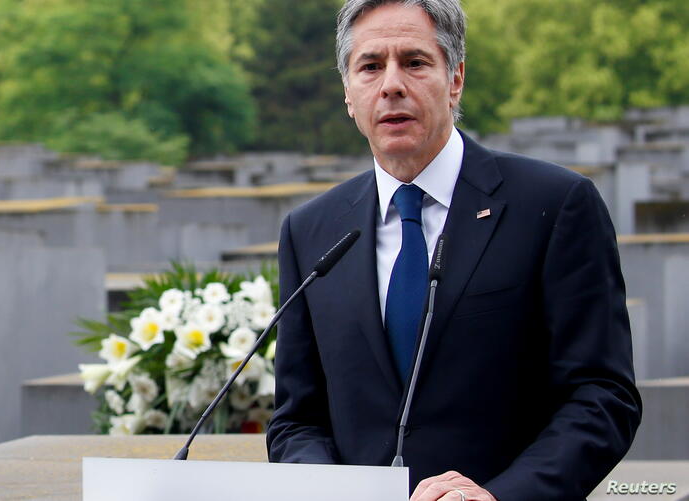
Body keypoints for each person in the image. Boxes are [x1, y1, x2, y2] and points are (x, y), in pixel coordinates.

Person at [265, 1, 642, 500]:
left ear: (456, 78)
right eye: (371, 66)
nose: (392, 84)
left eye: (415, 62)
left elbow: (602, 395)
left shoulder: (553, 206)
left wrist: (500, 496)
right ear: (348, 93)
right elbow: (296, 420)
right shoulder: (310, 231)